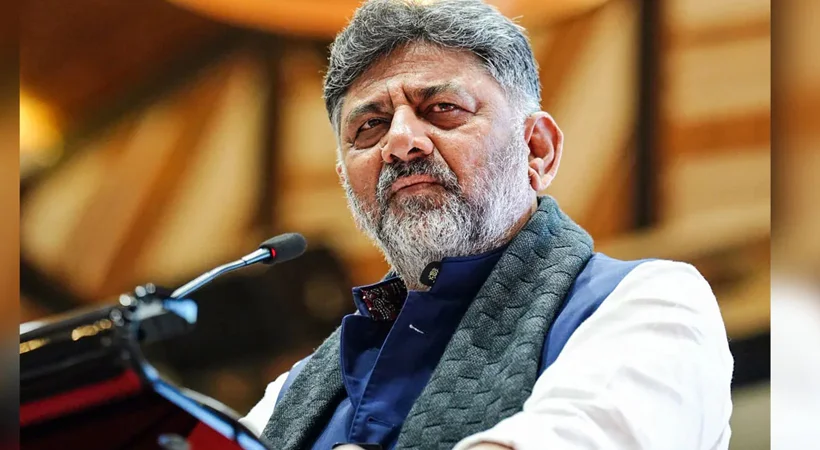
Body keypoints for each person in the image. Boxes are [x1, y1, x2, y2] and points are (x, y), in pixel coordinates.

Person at [240, 0, 734, 448]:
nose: (401, 142)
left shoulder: (649, 303)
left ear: (537, 149)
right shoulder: (291, 394)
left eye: (443, 109)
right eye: (370, 126)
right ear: (346, 180)